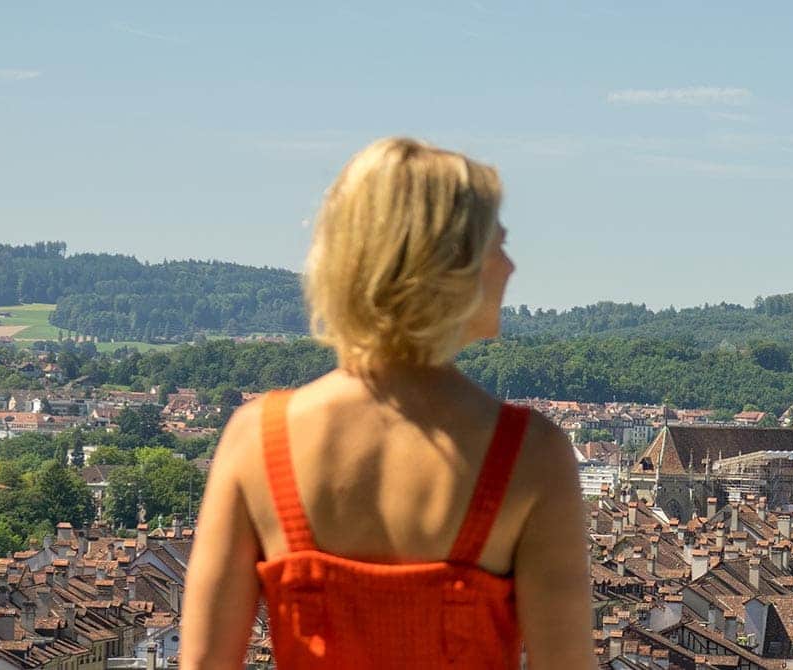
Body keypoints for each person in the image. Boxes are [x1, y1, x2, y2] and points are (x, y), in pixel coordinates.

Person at [181, 138, 592, 668]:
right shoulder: (531, 454)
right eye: (497, 245)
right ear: (448, 265)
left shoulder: (257, 439)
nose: (510, 267)